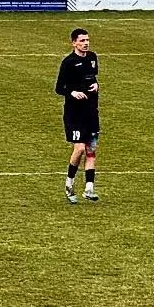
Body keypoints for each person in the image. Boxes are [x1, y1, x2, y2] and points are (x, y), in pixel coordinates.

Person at [55, 28, 101, 204]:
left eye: (87, 40)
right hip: (74, 114)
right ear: (74, 43)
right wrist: (72, 92)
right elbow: (59, 87)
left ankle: (89, 188)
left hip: (91, 112)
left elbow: (92, 78)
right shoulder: (68, 62)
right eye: (82, 40)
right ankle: (69, 184)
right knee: (80, 148)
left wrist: (96, 86)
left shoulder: (92, 58)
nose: (86, 43)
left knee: (91, 149)